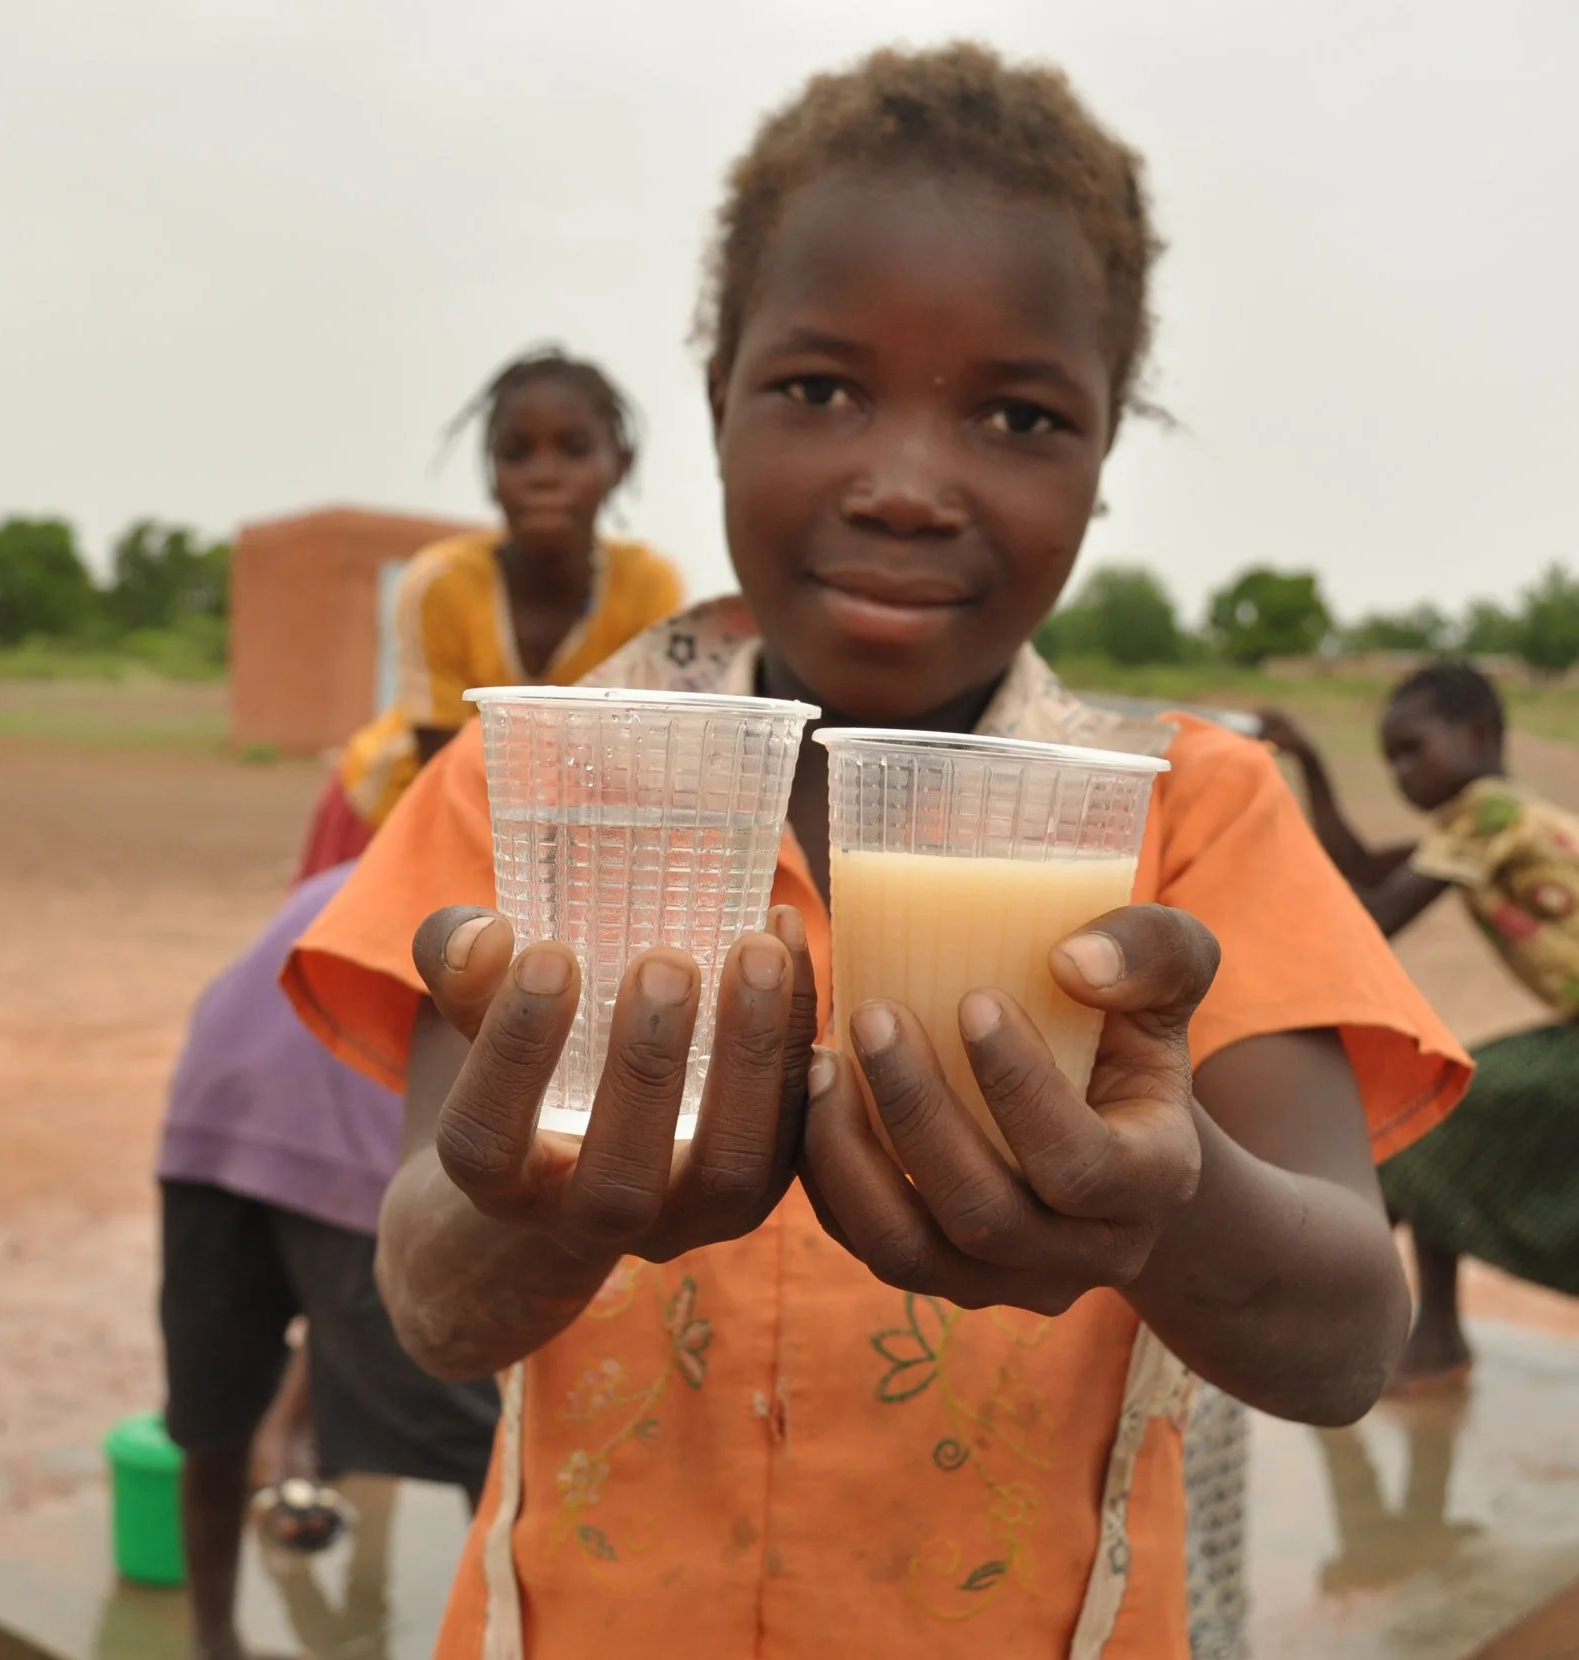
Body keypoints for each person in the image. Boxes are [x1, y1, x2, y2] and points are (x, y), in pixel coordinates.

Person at [283, 43, 1470, 1660]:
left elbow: (1345, 1342)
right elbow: (430, 1299)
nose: (907, 486)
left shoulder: (1191, 813)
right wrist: (541, 1212)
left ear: (1106, 457)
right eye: (821, 389)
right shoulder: (539, 786)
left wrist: (1165, 1208)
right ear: (716, 407)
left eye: (1017, 412)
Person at [1260, 663, 1579, 1392]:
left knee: (1428, 1125)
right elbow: (1364, 866)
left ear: (1478, 734)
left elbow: (1375, 918)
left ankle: (1383, 1335)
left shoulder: (1486, 816)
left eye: (1413, 749)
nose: (1402, 772)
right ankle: (1426, 1333)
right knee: (1438, 1118)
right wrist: (1308, 764)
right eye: (1389, 758)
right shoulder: (1494, 818)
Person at [160, 863, 500, 1660]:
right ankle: (497, 1639)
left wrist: (288, 1418)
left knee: (214, 1416)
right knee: (473, 1435)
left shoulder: (356, 879)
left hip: (208, 1119)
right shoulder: (490, 909)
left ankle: (211, 1643)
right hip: (345, 1140)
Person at [297, 349, 685, 880]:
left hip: (552, 837)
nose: (544, 475)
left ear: (618, 465)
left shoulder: (648, 588)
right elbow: (444, 768)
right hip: (396, 815)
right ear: (491, 473)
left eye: (573, 449)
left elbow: (637, 760)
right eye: (516, 453)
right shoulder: (441, 585)